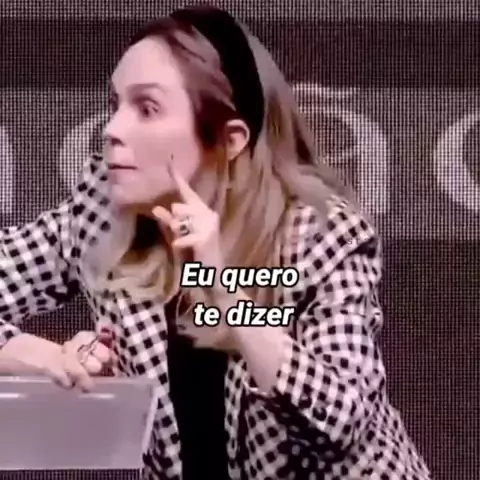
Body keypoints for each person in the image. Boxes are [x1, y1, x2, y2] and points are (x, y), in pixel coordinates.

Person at [0, 5, 430, 480]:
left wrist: (224, 290)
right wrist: (24, 353)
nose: (112, 129)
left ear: (228, 140)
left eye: (147, 108)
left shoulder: (321, 236)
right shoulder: (103, 210)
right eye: (115, 104)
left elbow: (340, 424)